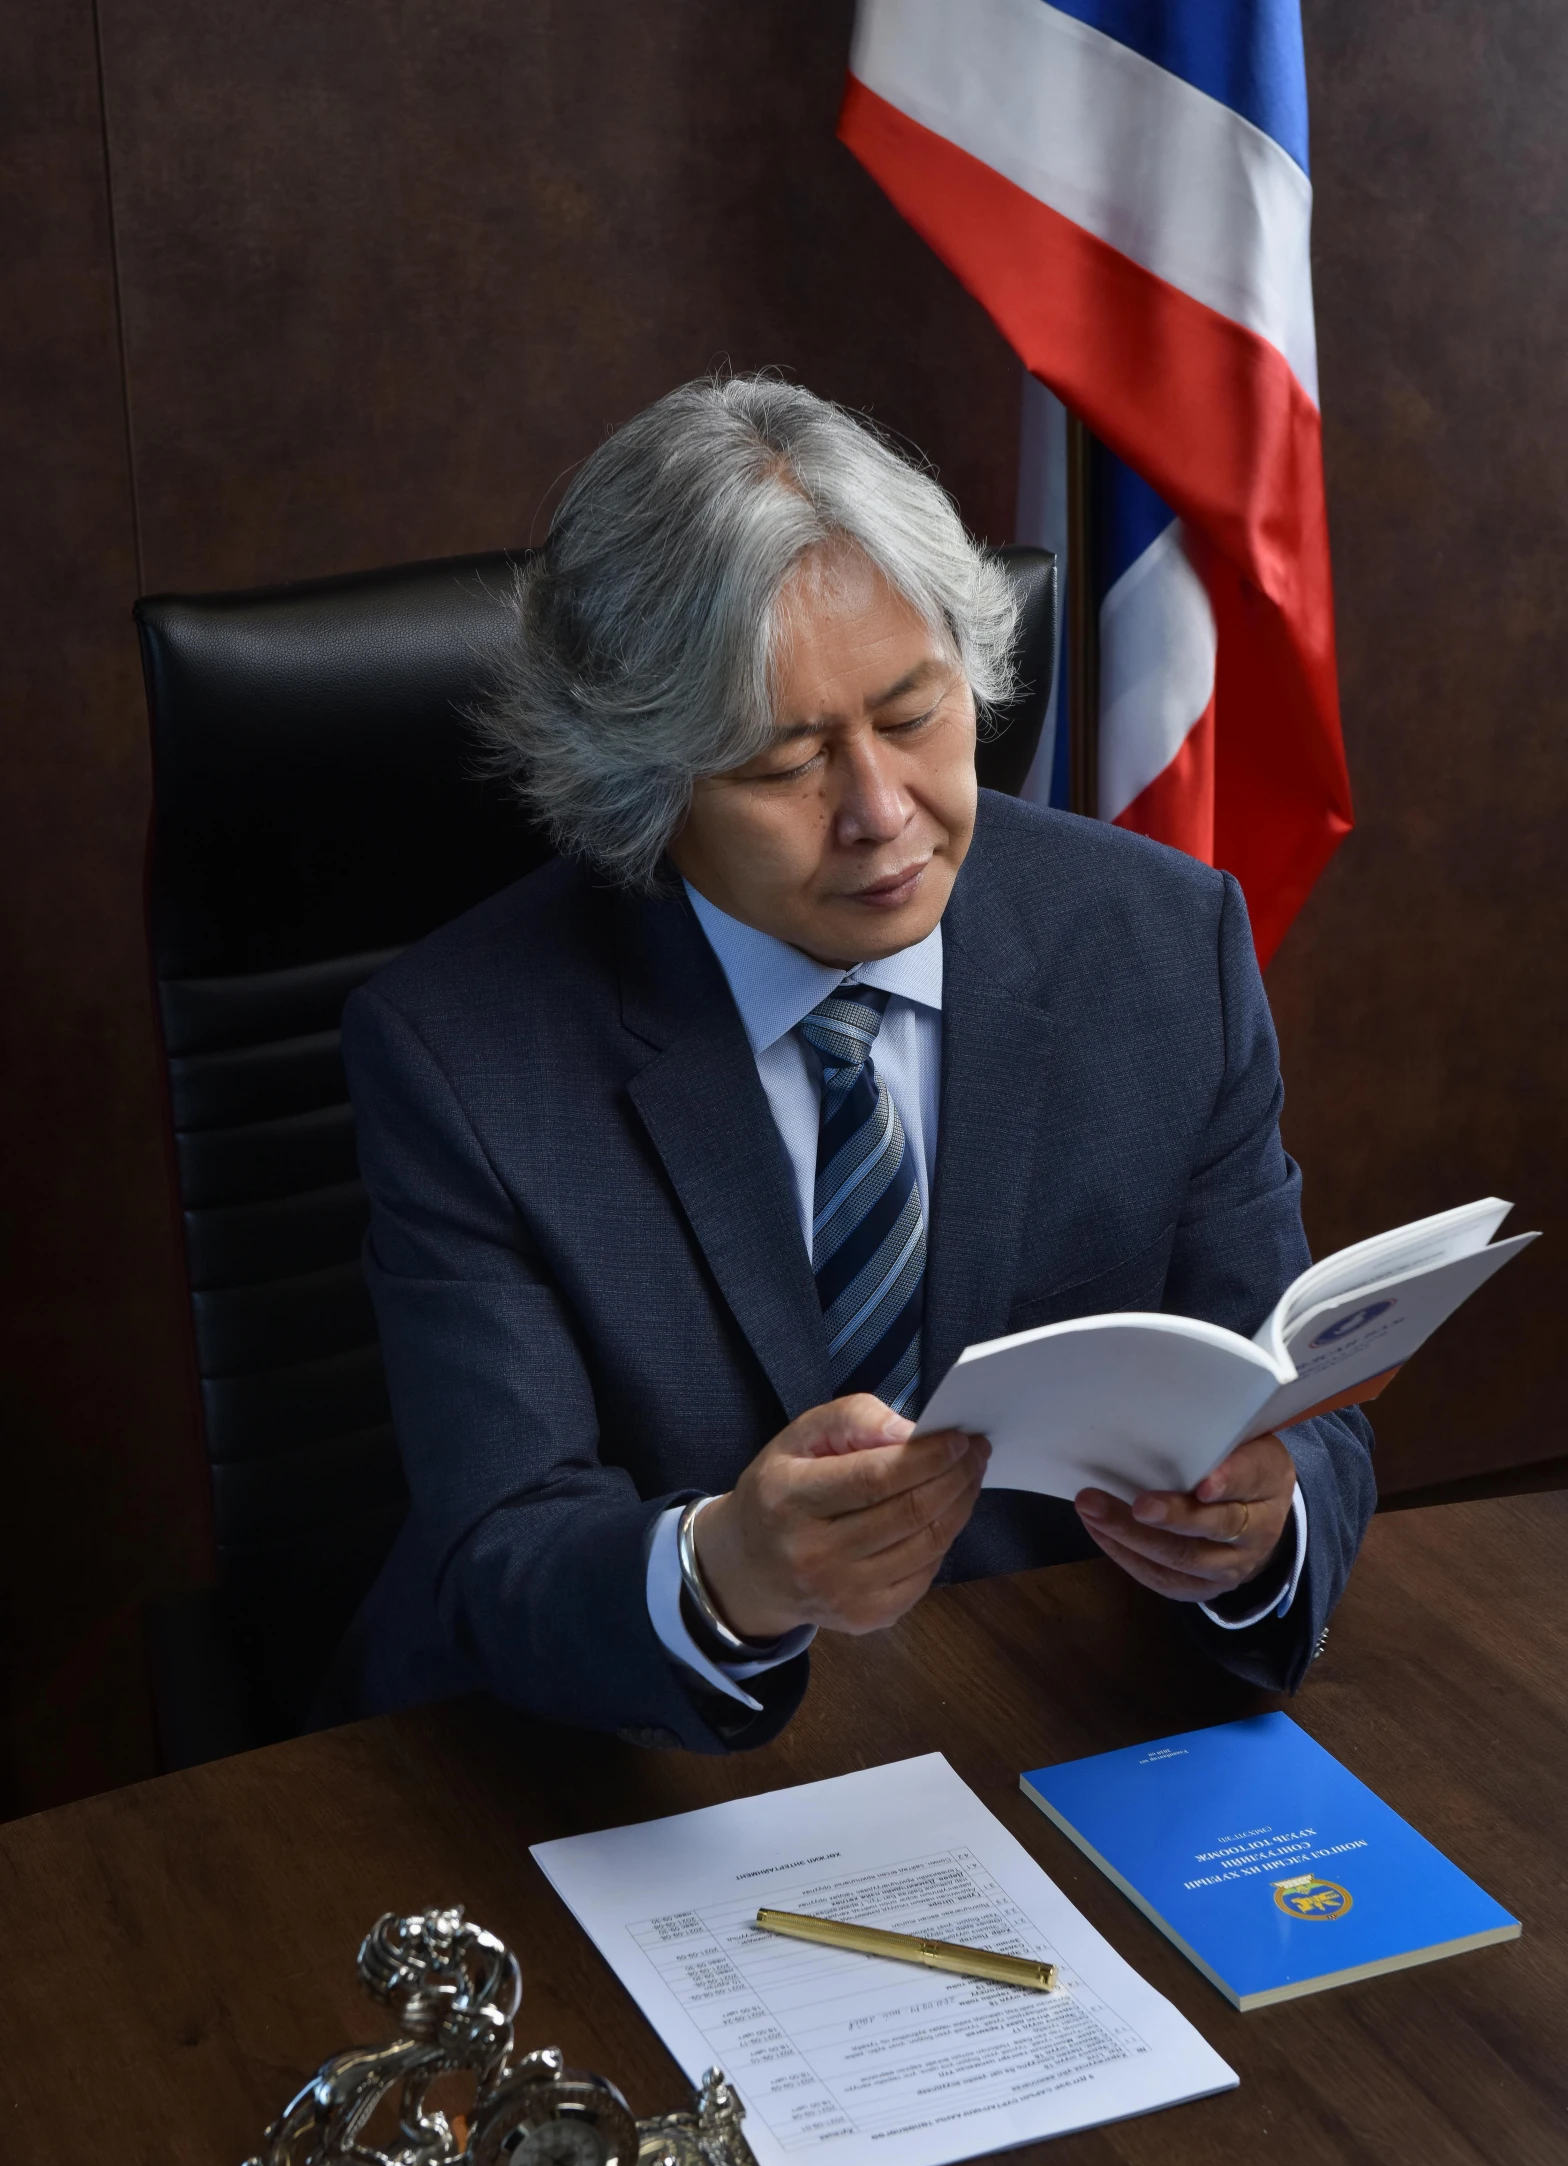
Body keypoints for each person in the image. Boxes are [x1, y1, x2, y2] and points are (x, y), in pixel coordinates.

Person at [325, 375, 1374, 1753]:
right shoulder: (459, 1052)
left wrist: (1263, 1516)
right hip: (623, 1768)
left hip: (1042, 1723)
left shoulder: (1163, 942)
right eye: (784, 764)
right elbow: (497, 1552)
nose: (882, 813)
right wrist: (725, 1576)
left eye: (914, 712)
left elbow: (1298, 1408)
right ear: (643, 780)